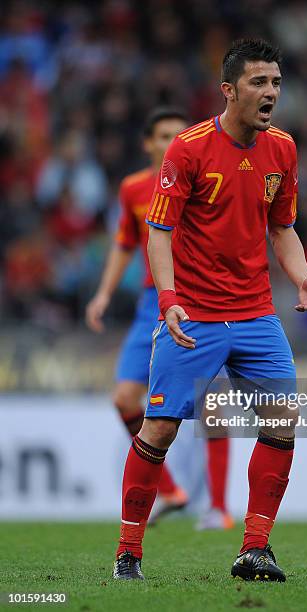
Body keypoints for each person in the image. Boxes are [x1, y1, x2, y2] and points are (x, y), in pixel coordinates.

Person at [113, 39, 307, 583]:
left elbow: (282, 226)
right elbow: (157, 233)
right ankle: (128, 553)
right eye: (259, 82)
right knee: (159, 428)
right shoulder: (188, 148)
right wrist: (170, 300)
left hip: (256, 315)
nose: (270, 92)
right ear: (229, 90)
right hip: (197, 315)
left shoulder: (283, 149)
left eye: (275, 82)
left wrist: (301, 276)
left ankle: (254, 549)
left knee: (283, 419)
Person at [86, 108, 233, 528]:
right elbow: (124, 243)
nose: (172, 142)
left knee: (212, 406)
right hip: (152, 303)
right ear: (148, 143)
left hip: (198, 299)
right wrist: (103, 294)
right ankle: (169, 490)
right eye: (164, 135)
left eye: (178, 134)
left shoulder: (205, 177)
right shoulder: (133, 188)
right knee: (125, 400)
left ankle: (219, 508)